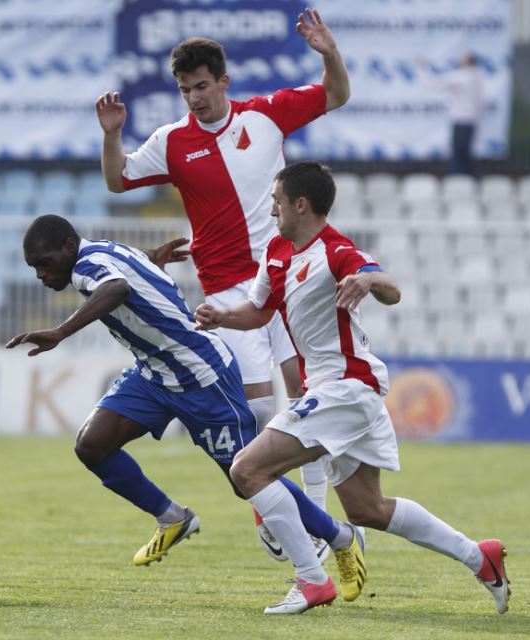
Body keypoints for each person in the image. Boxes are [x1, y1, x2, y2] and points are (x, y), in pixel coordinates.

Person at [195, 162, 511, 615]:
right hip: (340, 392)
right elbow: (259, 310)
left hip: (346, 387)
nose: (271, 210)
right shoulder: (277, 252)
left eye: (276, 201)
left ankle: (311, 580)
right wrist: (222, 317)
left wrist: (367, 280)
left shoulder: (336, 250)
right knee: (367, 509)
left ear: (300, 205)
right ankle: (480, 557)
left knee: (246, 469)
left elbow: (391, 288)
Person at [96, 6, 349, 562]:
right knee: (257, 415)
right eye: (186, 89)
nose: (195, 98)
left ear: (224, 82)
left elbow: (336, 95)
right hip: (227, 294)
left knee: (309, 403)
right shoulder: (172, 141)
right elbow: (117, 181)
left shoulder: (265, 116)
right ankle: (272, 511)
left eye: (203, 86)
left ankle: (316, 523)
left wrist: (329, 53)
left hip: (288, 281)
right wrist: (112, 136)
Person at [5, 214, 363, 595]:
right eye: (34, 268)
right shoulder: (104, 251)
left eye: (44, 263)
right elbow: (123, 274)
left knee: (249, 479)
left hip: (201, 377)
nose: (41, 276)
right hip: (155, 375)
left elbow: (115, 287)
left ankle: (340, 536)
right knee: (92, 445)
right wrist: (151, 260)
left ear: (67, 247)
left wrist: (61, 331)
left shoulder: (88, 268)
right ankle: (172, 518)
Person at [424, 53, 484, 176]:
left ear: (468, 61)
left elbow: (435, 83)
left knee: (458, 153)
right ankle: (468, 178)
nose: (460, 60)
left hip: (461, 119)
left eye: (464, 58)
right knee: (465, 152)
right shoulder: (478, 77)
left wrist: (422, 68)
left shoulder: (461, 76)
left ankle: (457, 178)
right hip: (471, 120)